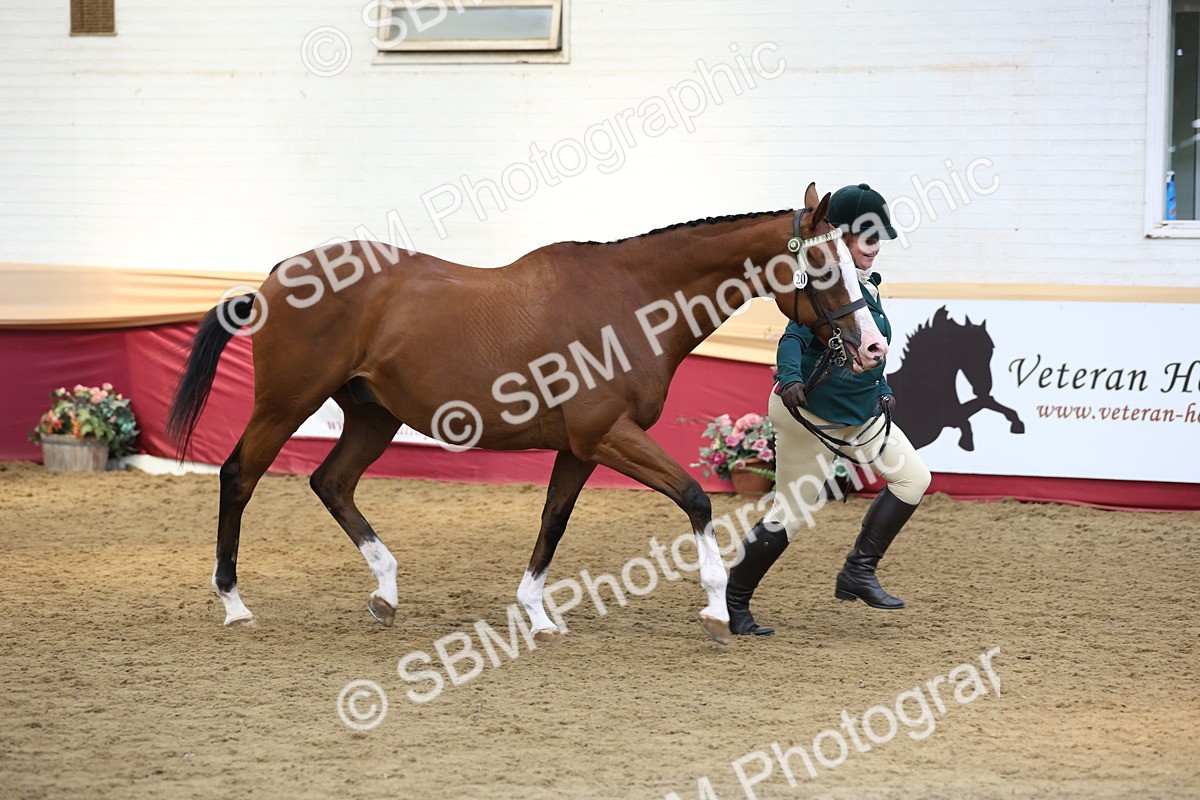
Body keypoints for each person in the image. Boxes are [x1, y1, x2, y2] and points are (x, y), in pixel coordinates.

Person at [726, 183, 932, 636]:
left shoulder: (869, 289)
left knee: (914, 479)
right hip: (810, 414)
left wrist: (882, 388)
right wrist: (791, 377)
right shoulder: (825, 282)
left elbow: (868, 348)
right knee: (793, 511)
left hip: (859, 413)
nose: (876, 251)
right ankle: (733, 601)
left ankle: (858, 571)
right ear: (842, 236)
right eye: (869, 240)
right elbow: (794, 336)